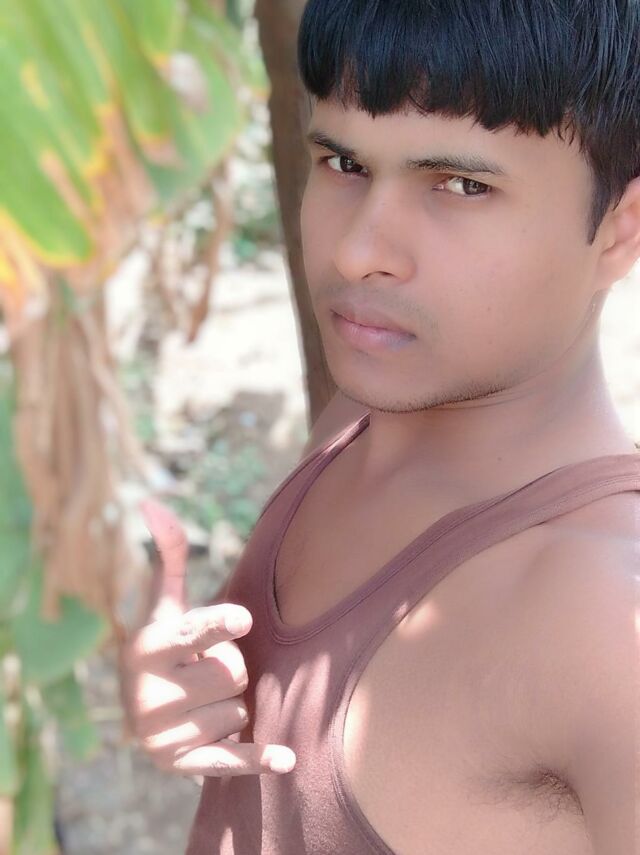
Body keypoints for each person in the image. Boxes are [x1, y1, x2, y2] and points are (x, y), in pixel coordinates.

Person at [121, 1, 640, 853]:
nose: (357, 251)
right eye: (344, 162)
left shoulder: (607, 622)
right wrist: (187, 695)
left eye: (462, 185)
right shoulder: (359, 421)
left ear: (620, 228)